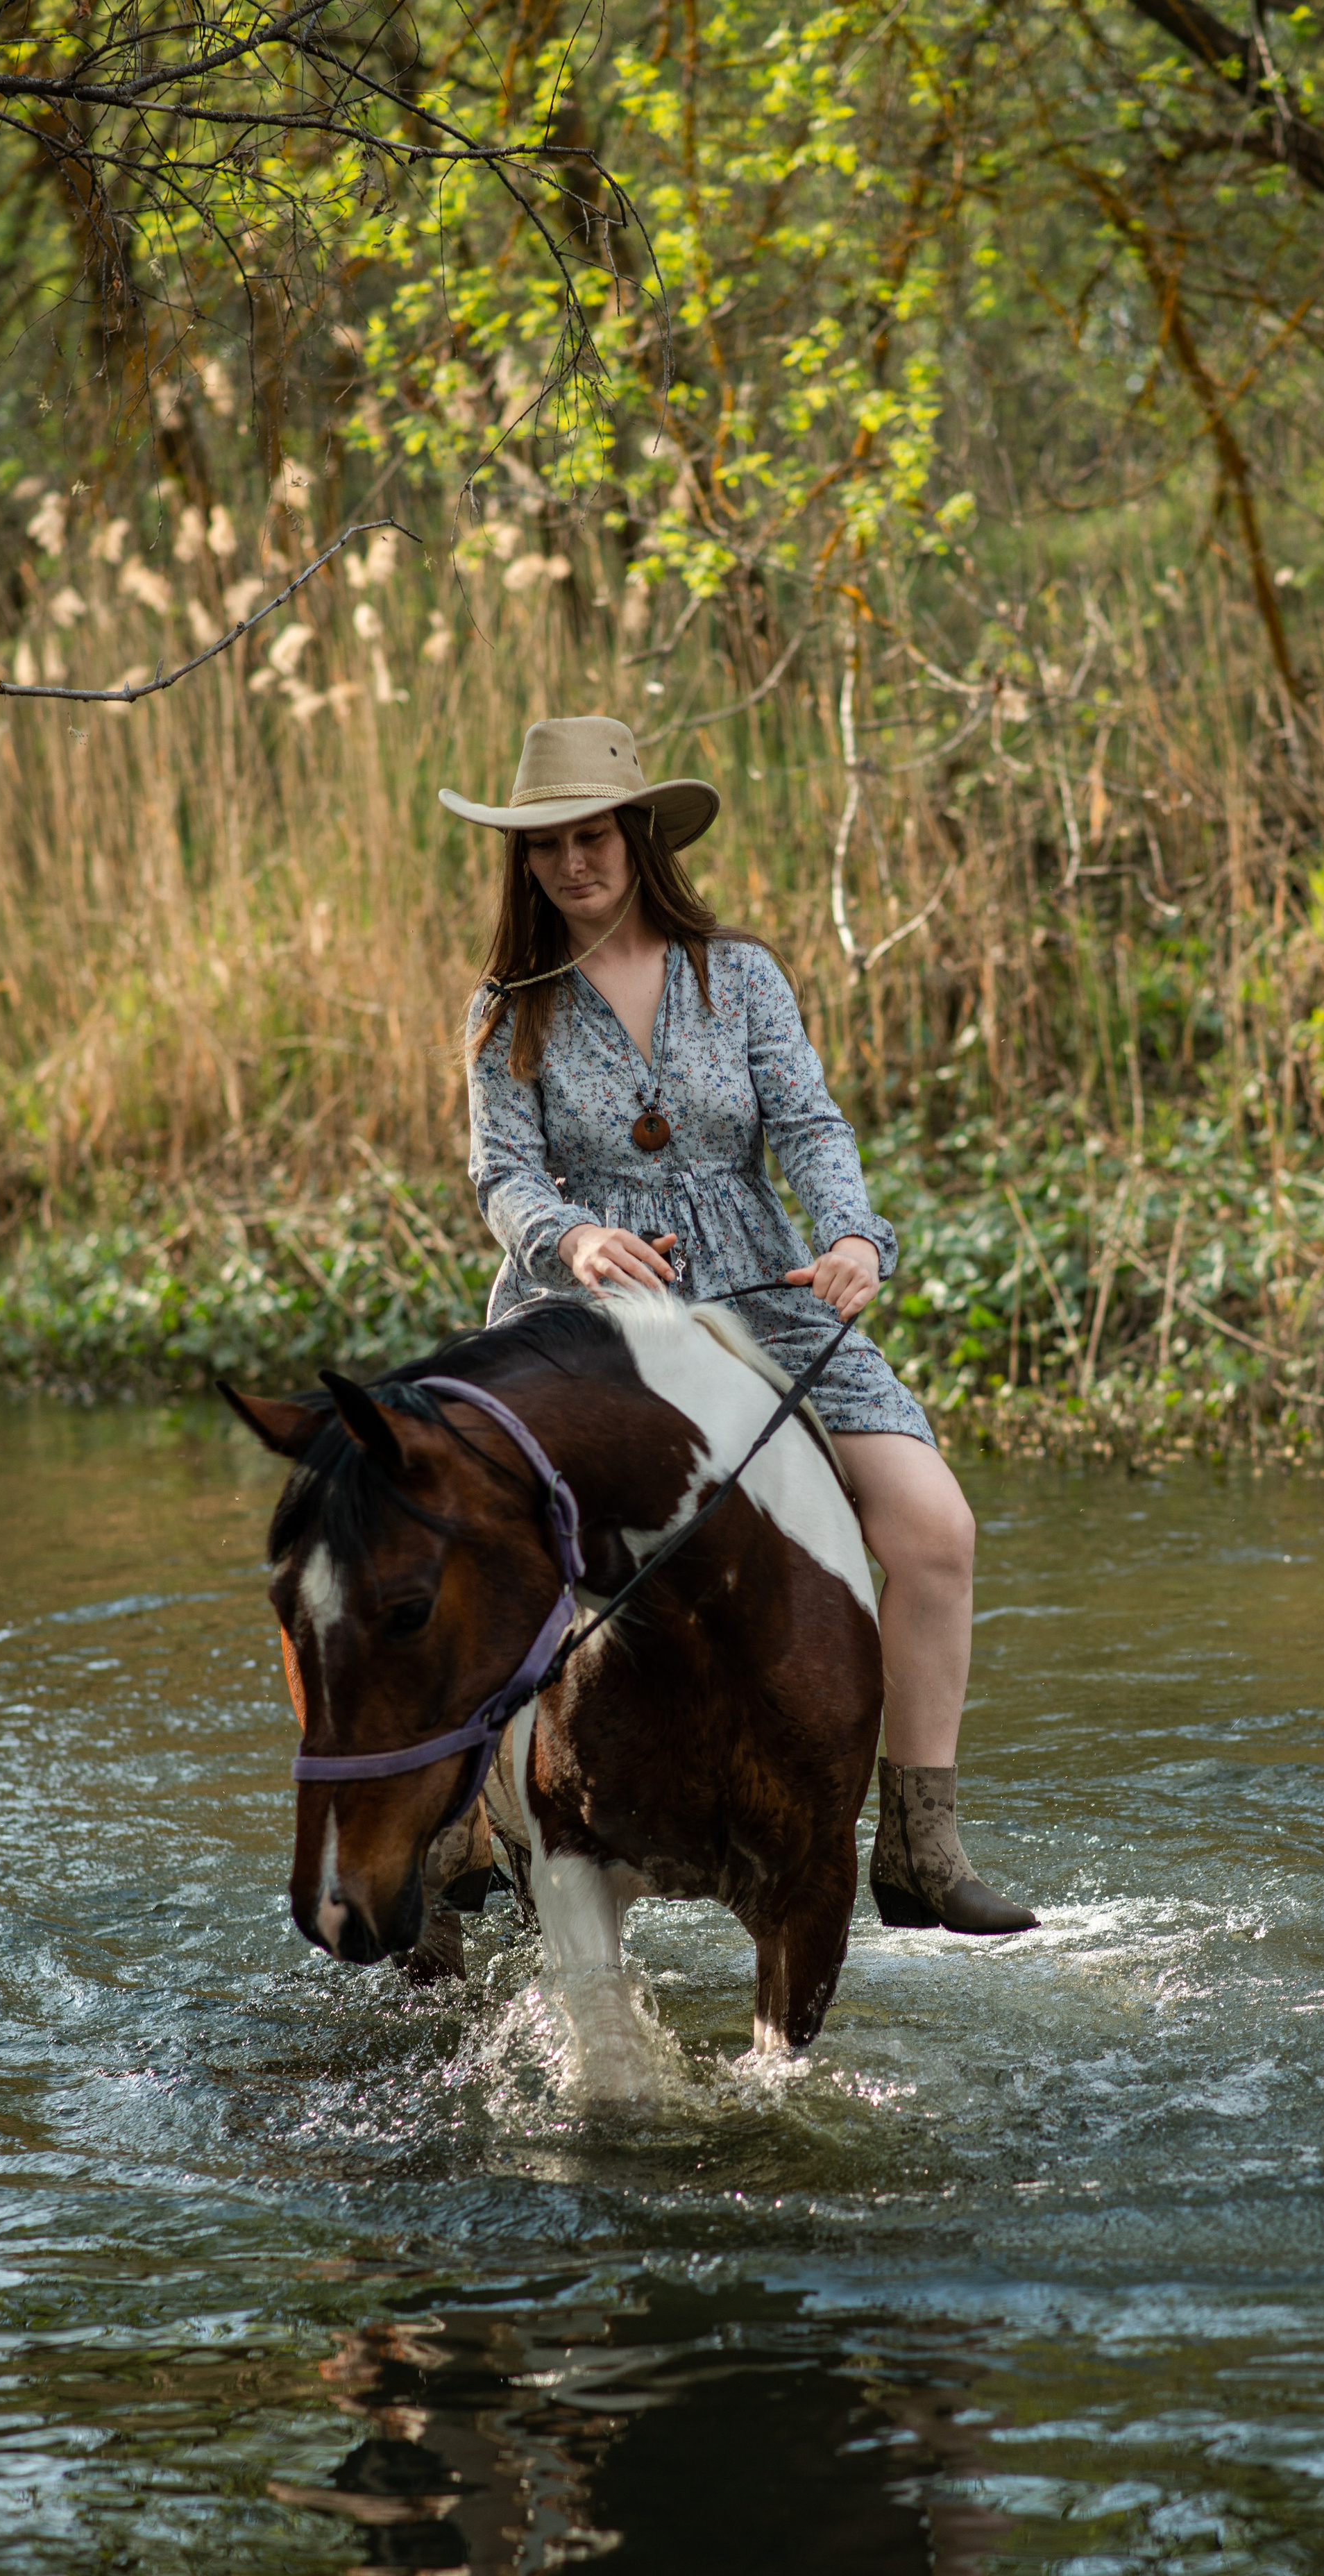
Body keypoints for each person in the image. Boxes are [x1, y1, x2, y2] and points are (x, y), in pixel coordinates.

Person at [445, 715, 1037, 1935]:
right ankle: (459, 1810)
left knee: (936, 1526)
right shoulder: (509, 1009)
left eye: (593, 835)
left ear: (639, 836)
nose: (573, 863)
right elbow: (501, 1175)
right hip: (590, 1307)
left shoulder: (740, 974)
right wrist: (572, 1237)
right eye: (547, 844)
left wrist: (858, 1236)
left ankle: (921, 1843)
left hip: (764, 1292)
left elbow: (812, 1128)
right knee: (471, 1512)